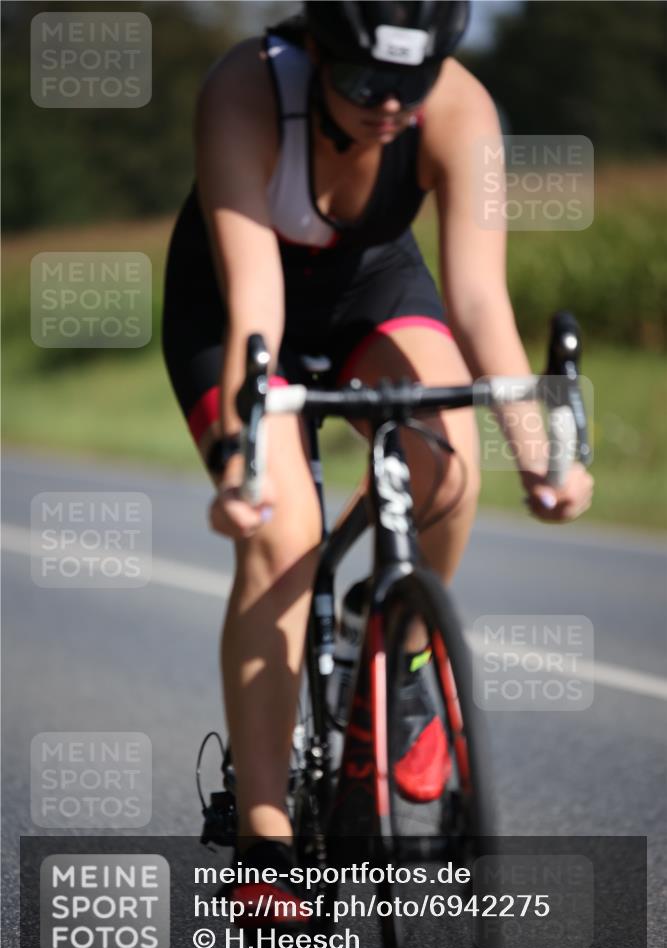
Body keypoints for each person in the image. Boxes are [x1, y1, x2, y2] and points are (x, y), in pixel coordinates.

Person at [162, 0, 593, 890]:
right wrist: (246, 461)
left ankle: (393, 662)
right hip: (238, 306)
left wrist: (544, 454)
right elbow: (256, 302)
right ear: (316, 52)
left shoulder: (461, 106)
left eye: (412, 83)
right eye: (365, 83)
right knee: (283, 535)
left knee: (448, 468)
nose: (390, 106)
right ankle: (266, 835)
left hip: (371, 288)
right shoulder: (243, 89)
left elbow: (479, 305)